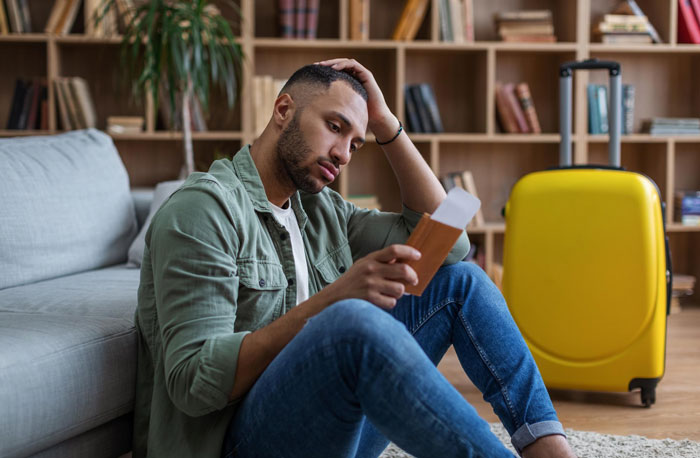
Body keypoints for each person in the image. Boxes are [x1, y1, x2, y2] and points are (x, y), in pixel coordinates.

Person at [132, 58, 576, 458]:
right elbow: (192, 384)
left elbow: (449, 246)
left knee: (461, 281)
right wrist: (333, 301)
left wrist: (386, 124)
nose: (343, 153)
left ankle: (549, 451)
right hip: (233, 443)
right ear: (283, 110)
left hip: (322, 429)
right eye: (335, 126)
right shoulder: (203, 210)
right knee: (351, 325)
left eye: (356, 143)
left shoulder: (320, 209)